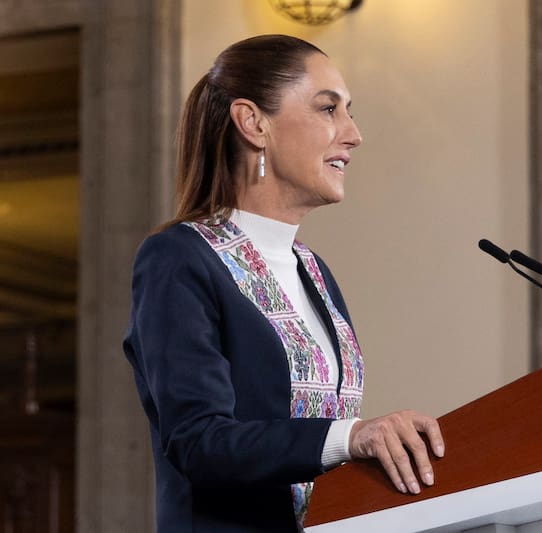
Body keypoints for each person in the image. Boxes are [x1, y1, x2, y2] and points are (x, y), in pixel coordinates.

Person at [122, 34, 445, 533]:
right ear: (254, 123)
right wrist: (351, 437)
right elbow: (198, 442)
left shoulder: (313, 271)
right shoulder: (178, 258)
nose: (353, 133)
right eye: (328, 109)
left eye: (349, 111)